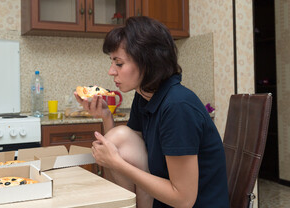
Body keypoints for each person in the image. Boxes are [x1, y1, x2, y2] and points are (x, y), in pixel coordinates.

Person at [74, 16, 229, 208]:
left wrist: (116, 164)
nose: (111, 71)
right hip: (162, 202)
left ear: (147, 62)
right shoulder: (145, 95)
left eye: (119, 63)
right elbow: (127, 149)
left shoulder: (177, 107)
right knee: (120, 136)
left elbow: (184, 199)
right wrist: (106, 116)